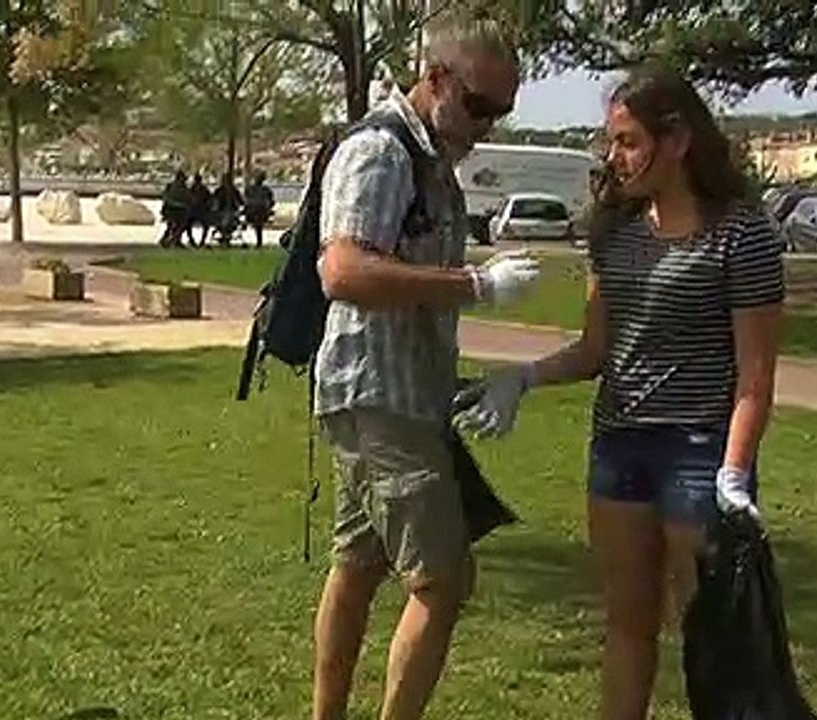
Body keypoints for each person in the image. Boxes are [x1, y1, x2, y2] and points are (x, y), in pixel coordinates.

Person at [453, 65, 785, 720]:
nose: (615, 157)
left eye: (629, 141)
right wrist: (523, 377)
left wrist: (734, 474)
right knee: (627, 625)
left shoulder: (742, 236)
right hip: (620, 450)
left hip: (699, 455)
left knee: (710, 637)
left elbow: (755, 375)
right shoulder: (615, 234)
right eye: (613, 141)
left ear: (679, 140)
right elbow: (595, 349)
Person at [312, 19, 536, 720]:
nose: (486, 125)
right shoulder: (383, 152)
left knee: (357, 564)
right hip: (379, 394)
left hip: (402, 392)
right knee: (442, 580)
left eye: (502, 112)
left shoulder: (433, 162)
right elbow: (342, 269)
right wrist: (474, 285)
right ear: (435, 78)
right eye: (479, 106)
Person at [158, 170, 192, 248]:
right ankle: (172, 239)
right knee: (178, 224)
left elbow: (189, 198)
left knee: (175, 225)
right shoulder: (175, 187)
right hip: (175, 209)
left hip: (175, 209)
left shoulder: (178, 187)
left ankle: (172, 240)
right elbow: (166, 197)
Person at [243, 169, 276, 248]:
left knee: (258, 220)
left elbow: (271, 202)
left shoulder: (264, 190)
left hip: (257, 212)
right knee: (258, 220)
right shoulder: (253, 189)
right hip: (256, 212)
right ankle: (259, 241)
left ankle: (259, 241)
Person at [187, 172, 212, 248]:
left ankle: (197, 241)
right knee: (205, 225)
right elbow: (209, 199)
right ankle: (198, 241)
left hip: (198, 211)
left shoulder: (193, 189)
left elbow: (209, 199)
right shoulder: (195, 189)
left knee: (188, 224)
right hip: (198, 211)